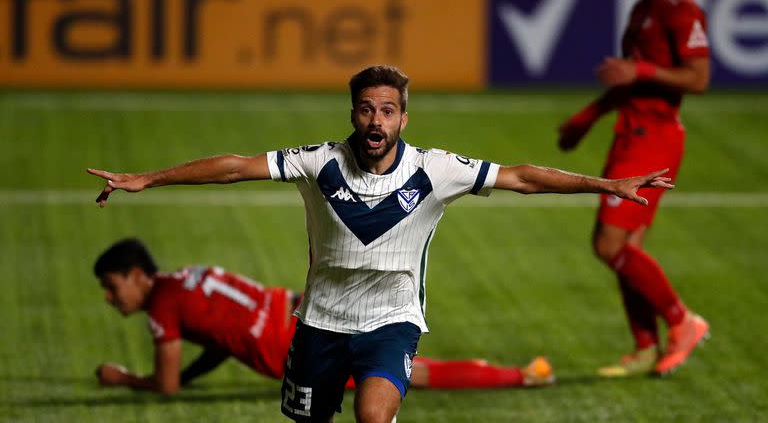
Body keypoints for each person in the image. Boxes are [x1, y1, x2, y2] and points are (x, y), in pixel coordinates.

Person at [88, 65, 673, 422]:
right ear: (354, 111)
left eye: (387, 110)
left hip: (392, 319)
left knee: (374, 414)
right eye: (367, 108)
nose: (376, 120)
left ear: (403, 118)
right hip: (318, 321)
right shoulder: (318, 163)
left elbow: (521, 176)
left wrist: (606, 184)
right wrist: (150, 178)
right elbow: (236, 166)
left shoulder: (436, 169)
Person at [93, 237, 556, 394]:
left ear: (138, 276)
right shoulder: (185, 281)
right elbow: (220, 340)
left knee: (411, 377)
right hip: (297, 305)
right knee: (402, 366)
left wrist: (124, 378)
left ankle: (524, 375)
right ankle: (522, 374)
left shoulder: (162, 306)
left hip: (292, 345)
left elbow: (166, 386)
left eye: (113, 287)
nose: (112, 299)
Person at [558, 0, 710, 378]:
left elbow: (698, 78)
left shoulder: (681, 11)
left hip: (653, 139)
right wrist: (591, 115)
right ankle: (645, 346)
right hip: (633, 133)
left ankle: (684, 322)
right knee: (631, 249)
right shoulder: (644, 8)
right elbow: (633, 77)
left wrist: (641, 72)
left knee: (609, 245)